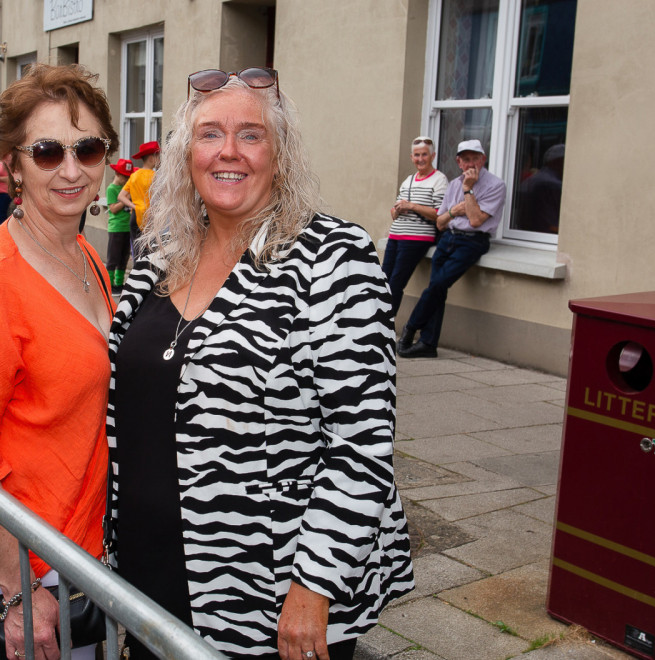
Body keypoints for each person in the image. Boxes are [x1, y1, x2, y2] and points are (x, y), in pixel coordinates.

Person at [108, 68, 414, 659]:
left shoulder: (334, 260)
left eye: (251, 135)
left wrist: (315, 587)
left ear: (280, 154)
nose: (228, 152)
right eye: (209, 134)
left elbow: (361, 445)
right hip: (150, 575)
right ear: (184, 153)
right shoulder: (157, 255)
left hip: (267, 596)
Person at [0, 63, 117, 660]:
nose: (71, 170)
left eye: (87, 148)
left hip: (85, 554)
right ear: (11, 164)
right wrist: (16, 593)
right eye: (46, 152)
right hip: (31, 570)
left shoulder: (83, 253)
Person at [398, 139, 507, 359]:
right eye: (466, 159)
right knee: (438, 289)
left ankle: (410, 327)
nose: (471, 164)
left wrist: (468, 191)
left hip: (472, 241)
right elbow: (440, 222)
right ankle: (428, 343)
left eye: (475, 158)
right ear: (459, 162)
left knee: (438, 284)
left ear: (483, 159)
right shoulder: (454, 183)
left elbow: (476, 221)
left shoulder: (495, 185)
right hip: (448, 238)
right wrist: (454, 212)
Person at [383, 136, 448, 315]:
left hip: (416, 238)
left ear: (432, 156)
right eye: (417, 155)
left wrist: (411, 206)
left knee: (396, 283)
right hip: (395, 236)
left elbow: (439, 215)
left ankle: (387, 326)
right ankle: (377, 323)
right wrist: (396, 211)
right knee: (383, 281)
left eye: (424, 155)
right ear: (412, 157)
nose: (420, 159)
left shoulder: (439, 180)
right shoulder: (408, 180)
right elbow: (394, 211)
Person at [104, 157, 135, 292]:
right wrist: (125, 199)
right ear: (117, 174)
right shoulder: (112, 189)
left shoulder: (126, 188)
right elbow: (113, 209)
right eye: (125, 177)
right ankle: (109, 284)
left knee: (123, 258)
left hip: (127, 227)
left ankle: (119, 283)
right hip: (116, 228)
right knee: (113, 258)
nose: (127, 180)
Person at [118, 140, 159, 236]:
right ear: (151, 158)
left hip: (135, 215)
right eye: (157, 156)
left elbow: (121, 196)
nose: (159, 159)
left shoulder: (134, 175)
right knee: (148, 249)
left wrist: (135, 206)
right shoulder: (155, 176)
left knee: (135, 248)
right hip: (149, 217)